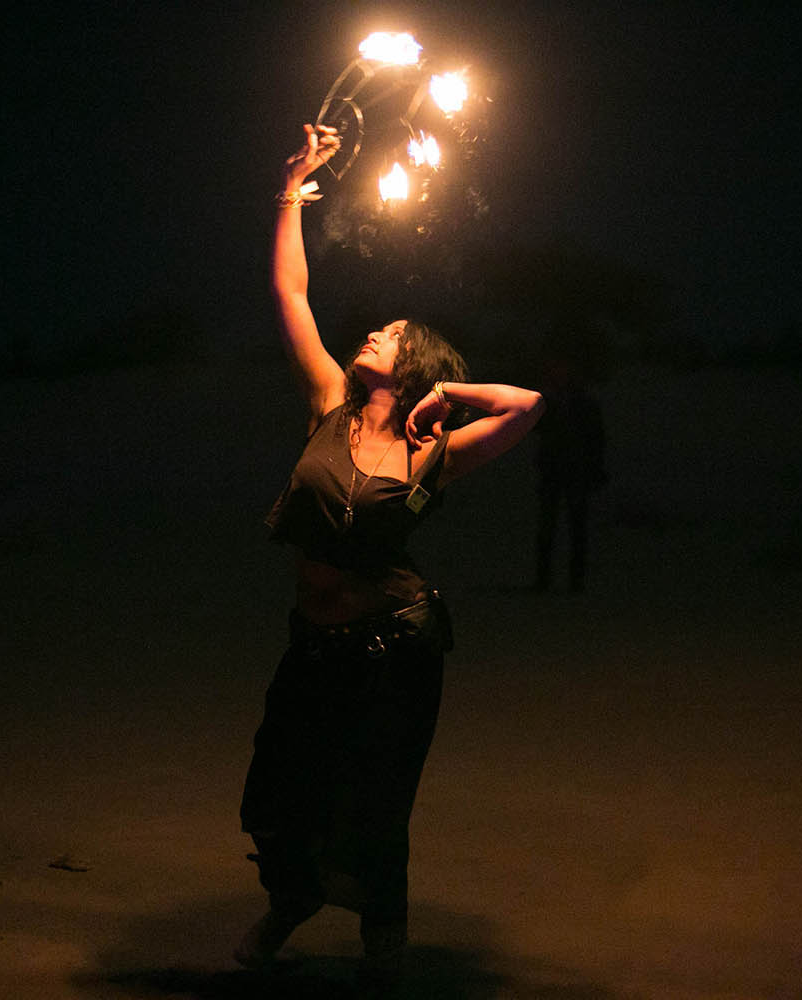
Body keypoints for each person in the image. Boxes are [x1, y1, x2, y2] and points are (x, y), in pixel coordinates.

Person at [237, 124, 544, 984]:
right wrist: (293, 189)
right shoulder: (329, 400)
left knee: (376, 805)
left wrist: (448, 392)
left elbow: (527, 406)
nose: (372, 333)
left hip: (396, 648)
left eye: (392, 334)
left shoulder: (433, 452)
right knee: (274, 797)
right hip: (314, 642)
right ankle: (291, 900)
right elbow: (291, 293)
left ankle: (384, 943)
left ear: (414, 368)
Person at [533, 347, 607, 591]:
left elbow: (596, 439)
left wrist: (595, 469)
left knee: (576, 526)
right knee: (548, 525)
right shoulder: (548, 401)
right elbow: (538, 431)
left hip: (576, 471)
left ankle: (576, 581)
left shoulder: (583, 403)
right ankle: (543, 580)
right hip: (553, 470)